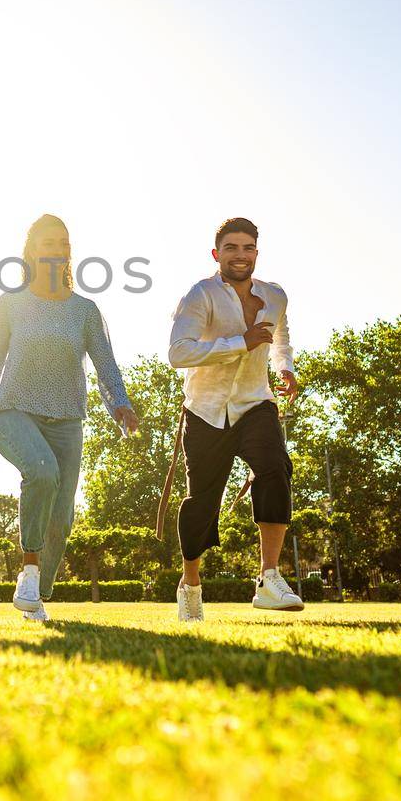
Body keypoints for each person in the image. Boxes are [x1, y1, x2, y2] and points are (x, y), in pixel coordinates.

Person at [0, 214, 140, 621]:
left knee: (62, 519)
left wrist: (120, 404)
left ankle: (37, 593)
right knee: (41, 471)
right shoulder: (12, 304)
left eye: (63, 244)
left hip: (67, 419)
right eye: (48, 243)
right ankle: (30, 571)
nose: (56, 250)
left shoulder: (84, 310)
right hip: (13, 411)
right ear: (32, 251)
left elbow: (106, 365)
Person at [164, 216, 301, 624]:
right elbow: (178, 353)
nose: (240, 256)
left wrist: (285, 367)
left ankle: (268, 578)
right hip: (205, 409)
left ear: (257, 253)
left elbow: (281, 338)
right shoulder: (200, 295)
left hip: (255, 402)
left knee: (275, 468)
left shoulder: (275, 296)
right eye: (231, 248)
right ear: (216, 254)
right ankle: (190, 584)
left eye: (247, 248)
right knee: (202, 502)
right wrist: (239, 344)